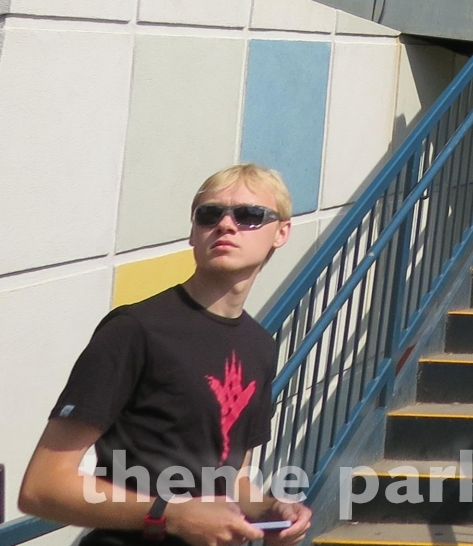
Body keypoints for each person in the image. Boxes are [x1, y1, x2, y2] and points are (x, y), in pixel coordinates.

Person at [19, 165, 314, 546]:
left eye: (249, 215)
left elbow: (231, 479)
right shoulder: (134, 330)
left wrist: (271, 510)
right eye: (209, 214)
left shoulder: (259, 345)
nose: (226, 225)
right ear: (193, 232)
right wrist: (168, 514)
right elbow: (42, 487)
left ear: (282, 232)